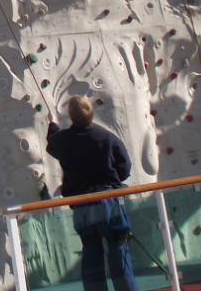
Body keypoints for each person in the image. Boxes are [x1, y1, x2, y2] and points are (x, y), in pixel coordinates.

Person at [47, 96, 139, 291]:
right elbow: (125, 166)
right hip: (108, 200)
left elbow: (54, 143)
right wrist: (114, 181)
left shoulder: (64, 141)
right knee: (118, 248)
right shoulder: (106, 137)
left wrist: (52, 123)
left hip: (83, 204)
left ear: (72, 117)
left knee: (91, 253)